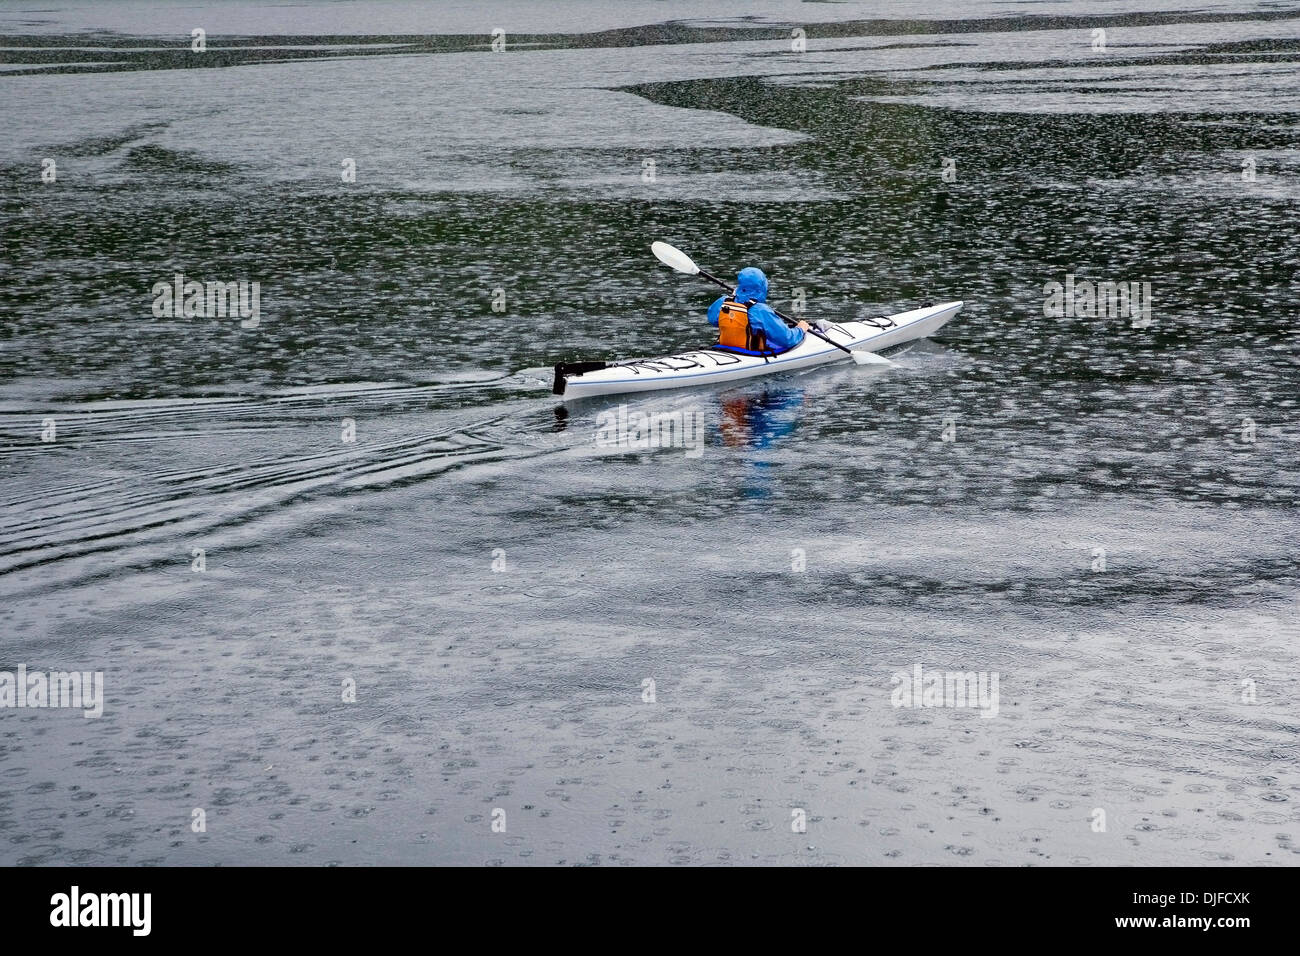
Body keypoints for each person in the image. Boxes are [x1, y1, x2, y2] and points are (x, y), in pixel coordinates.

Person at [707, 267, 809, 355]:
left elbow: (713, 319)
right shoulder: (761, 310)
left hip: (725, 350)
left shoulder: (723, 301)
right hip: (749, 355)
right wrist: (800, 329)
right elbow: (787, 339)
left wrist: (735, 297)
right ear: (762, 286)